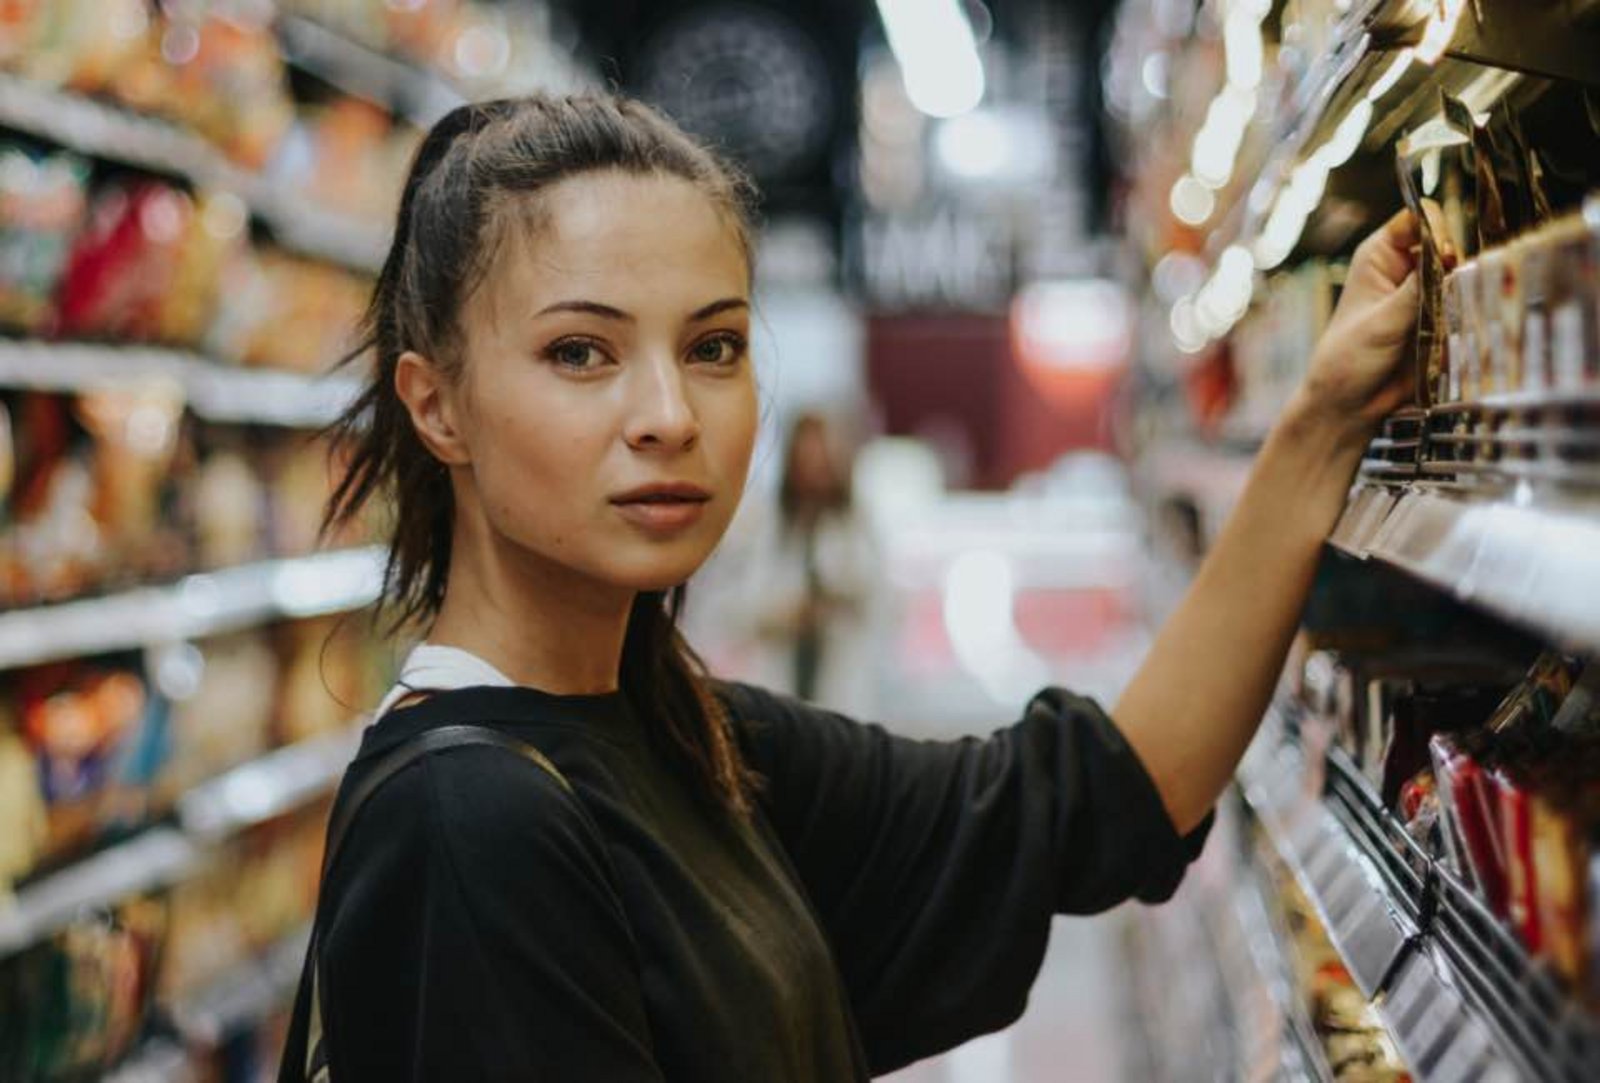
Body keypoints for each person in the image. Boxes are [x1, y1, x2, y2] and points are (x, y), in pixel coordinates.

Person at [280, 94, 1420, 1082]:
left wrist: (1323, 421)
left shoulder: (683, 736)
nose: (670, 415)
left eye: (714, 347)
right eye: (581, 352)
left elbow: (1095, 800)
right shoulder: (471, 823)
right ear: (435, 406)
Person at [704, 410, 879, 714]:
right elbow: (734, 608)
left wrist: (834, 602)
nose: (814, 470)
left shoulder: (854, 526)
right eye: (806, 459)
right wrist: (785, 611)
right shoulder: (768, 527)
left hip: (840, 677)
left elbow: (877, 599)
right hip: (780, 674)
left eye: (821, 459)